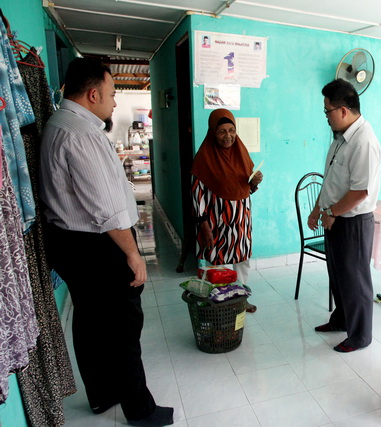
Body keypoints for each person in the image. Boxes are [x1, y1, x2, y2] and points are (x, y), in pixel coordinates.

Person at [40, 58, 173, 426]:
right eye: (112, 94)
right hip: (95, 245)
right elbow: (106, 208)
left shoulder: (59, 123)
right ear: (93, 94)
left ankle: (102, 394)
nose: (115, 102)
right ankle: (140, 410)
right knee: (122, 326)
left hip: (69, 242)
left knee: (90, 321)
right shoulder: (81, 134)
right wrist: (133, 253)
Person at [309, 78, 381, 353]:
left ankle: (360, 335)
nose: (325, 116)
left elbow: (360, 192)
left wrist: (330, 212)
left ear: (342, 110)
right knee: (338, 276)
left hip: (353, 223)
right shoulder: (341, 138)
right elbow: (332, 179)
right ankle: (341, 319)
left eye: (327, 111)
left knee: (355, 279)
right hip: (336, 218)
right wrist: (318, 209)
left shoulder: (364, 142)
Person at [191, 108, 263, 312]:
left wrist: (254, 182)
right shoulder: (204, 158)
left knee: (242, 261)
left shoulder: (242, 153)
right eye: (222, 131)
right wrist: (203, 224)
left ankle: (240, 299)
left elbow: (246, 187)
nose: (228, 136)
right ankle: (218, 303)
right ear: (213, 132)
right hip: (216, 222)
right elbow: (197, 194)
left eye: (231, 130)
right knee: (217, 263)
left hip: (241, 221)